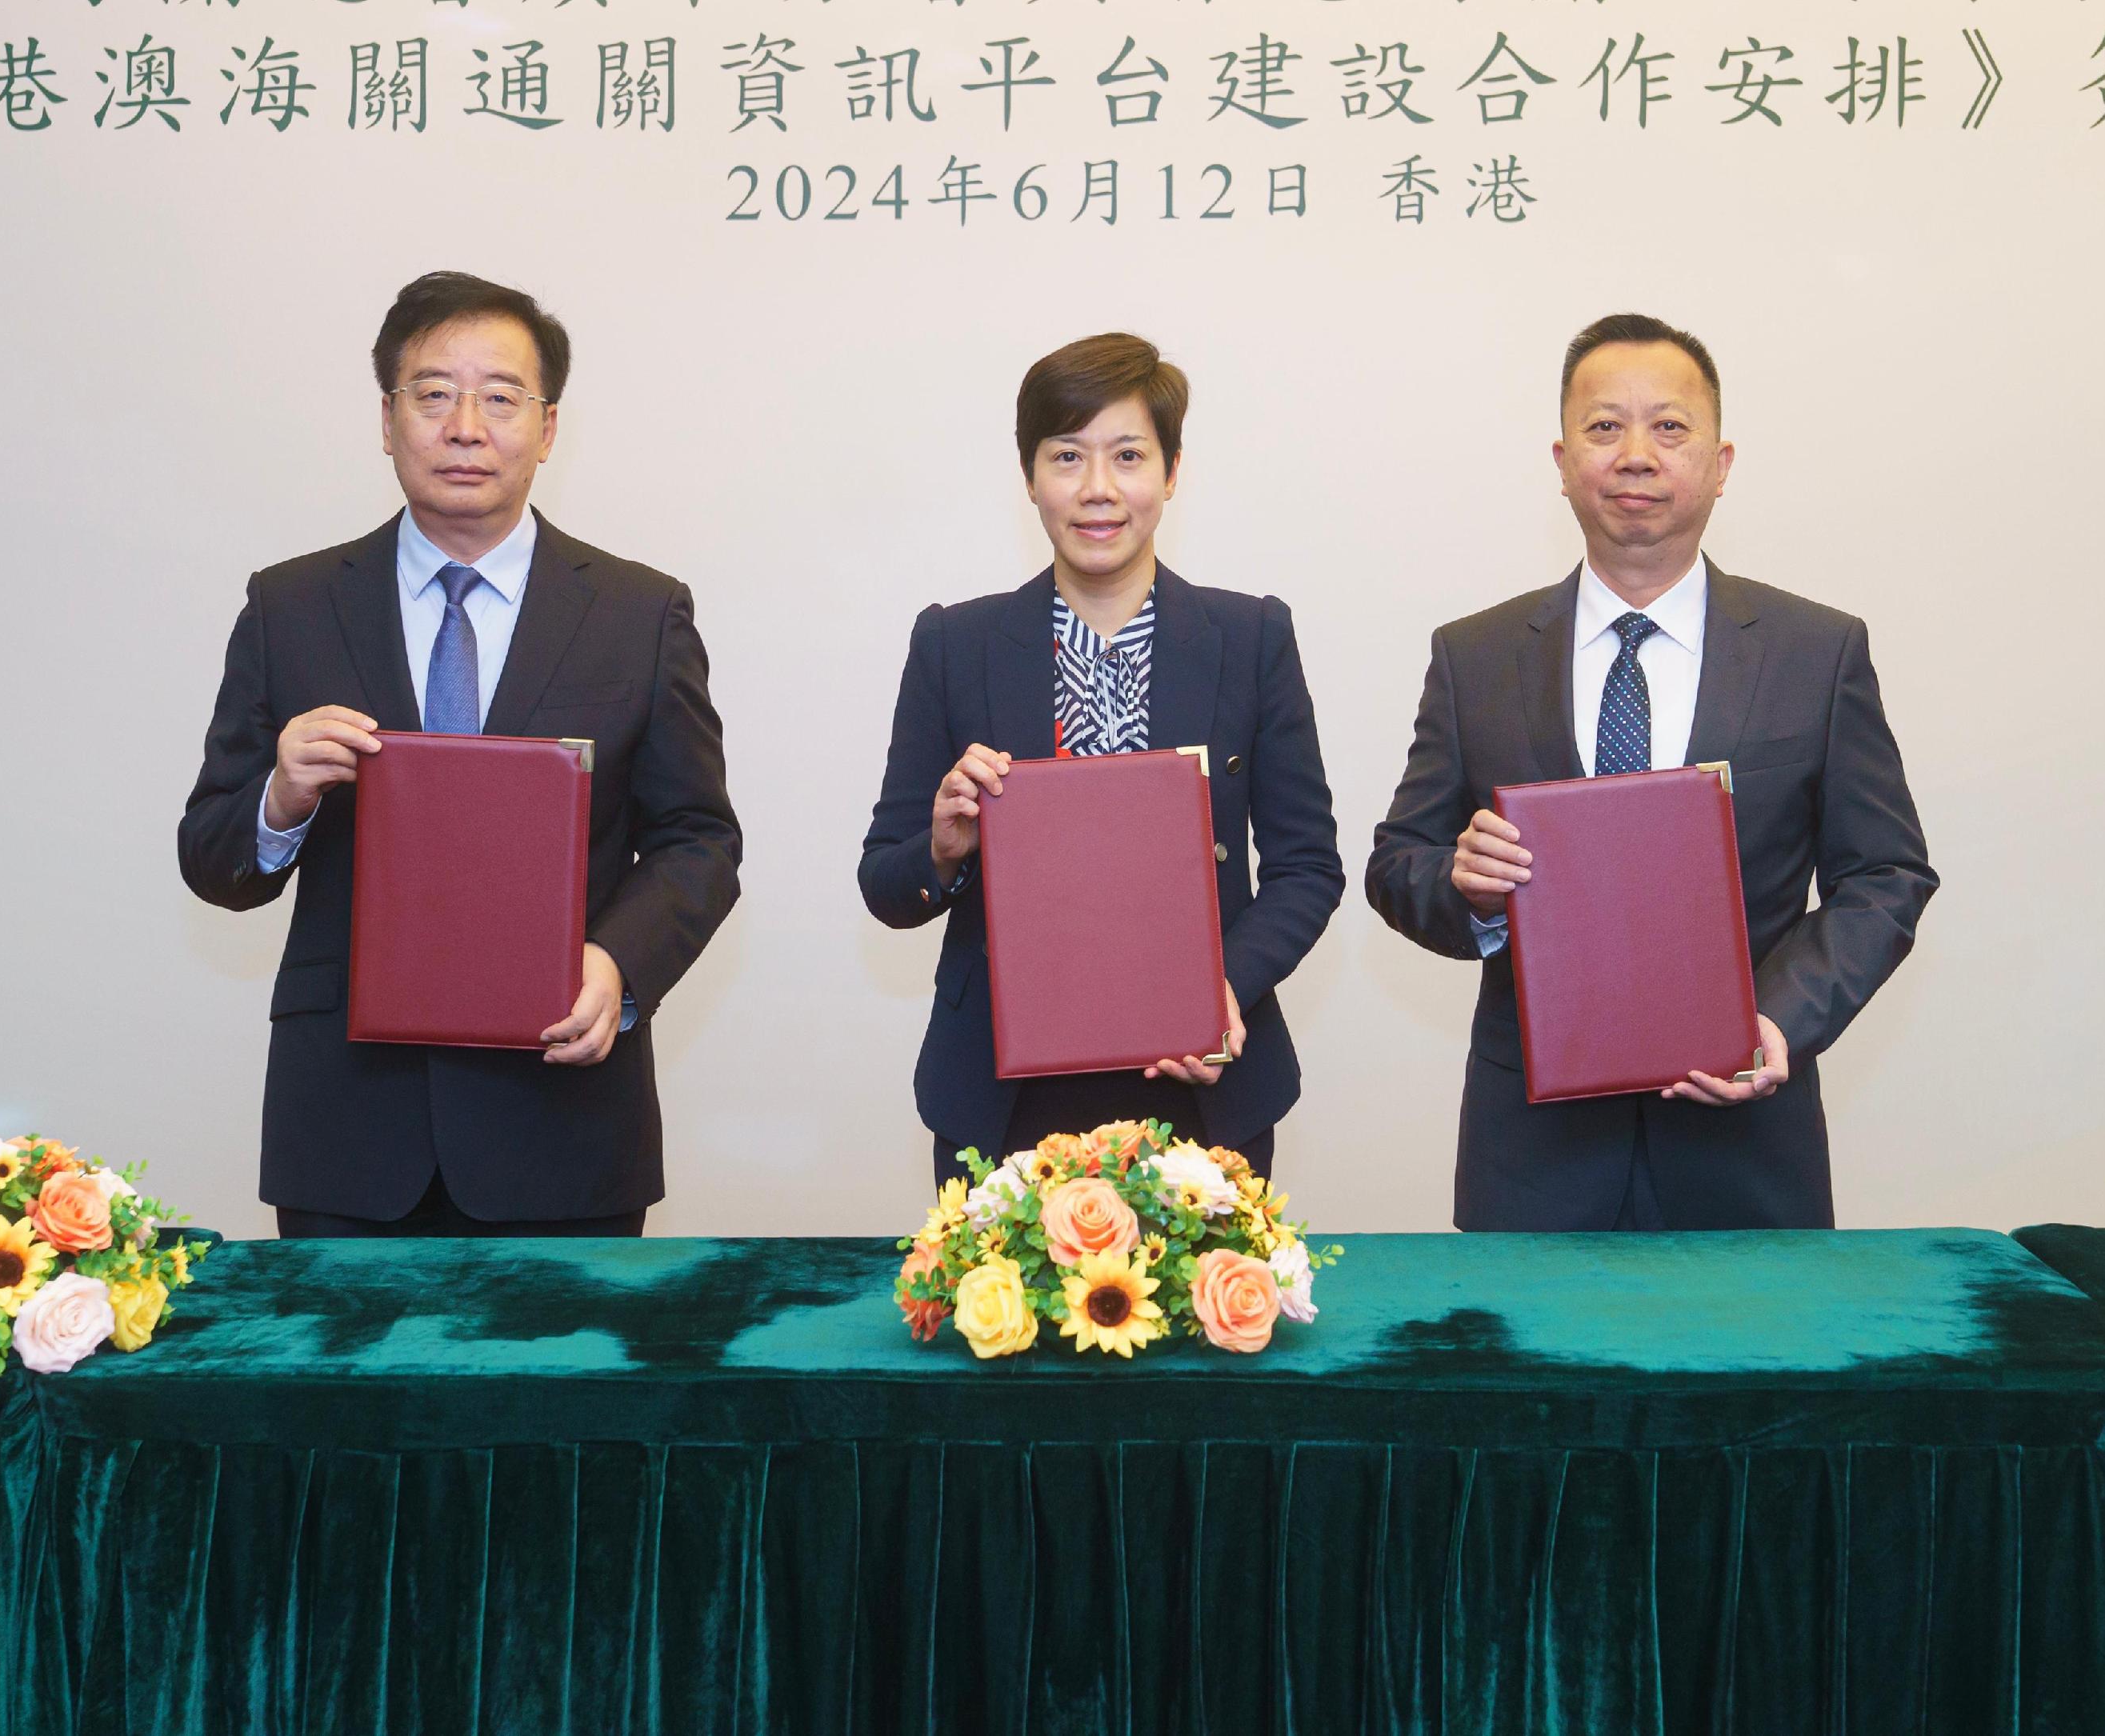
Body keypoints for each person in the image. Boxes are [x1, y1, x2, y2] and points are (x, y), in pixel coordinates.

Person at [178, 271, 742, 1236]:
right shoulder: (292, 606)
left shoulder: (639, 614)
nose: (465, 426)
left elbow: (698, 842)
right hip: (348, 1130)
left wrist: (615, 966)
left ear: (548, 428)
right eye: (433, 394)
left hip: (561, 1124)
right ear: (387, 420)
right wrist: (281, 796)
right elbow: (212, 859)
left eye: (499, 397)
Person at [1367, 314, 1935, 1230]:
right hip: (1534, 1156)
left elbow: (1886, 876)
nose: (1636, 455)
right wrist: (1464, 888)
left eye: (1669, 427)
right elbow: (1400, 864)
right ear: (1560, 461)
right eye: (1604, 427)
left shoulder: (1815, 652)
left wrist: (1779, 1020)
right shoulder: (1475, 655)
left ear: (1722, 461)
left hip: (1747, 1148)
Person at [860, 334, 1343, 1188]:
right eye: (1066, 456)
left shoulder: (1250, 638)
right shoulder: (955, 645)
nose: (1097, 489)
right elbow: (885, 884)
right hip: (1003, 1096)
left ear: (1171, 470)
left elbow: (1307, 867)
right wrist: (942, 846)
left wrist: (1220, 989)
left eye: (1127, 456)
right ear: (1029, 475)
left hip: (1203, 1087)